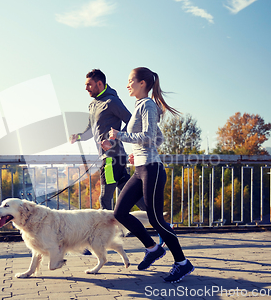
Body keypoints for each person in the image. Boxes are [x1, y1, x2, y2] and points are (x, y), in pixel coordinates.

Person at [106, 67, 194, 283]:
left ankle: (182, 263)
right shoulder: (141, 106)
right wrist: (137, 153)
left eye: (130, 81)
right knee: (120, 212)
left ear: (142, 83)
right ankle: (153, 248)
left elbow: (148, 135)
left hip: (152, 169)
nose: (127, 85)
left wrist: (120, 135)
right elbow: (159, 138)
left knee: (156, 219)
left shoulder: (148, 105)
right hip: (141, 168)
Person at [70, 69, 146, 211]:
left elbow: (131, 122)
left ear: (99, 83)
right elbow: (90, 131)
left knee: (105, 199)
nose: (86, 88)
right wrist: (78, 136)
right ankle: (162, 223)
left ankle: (110, 232)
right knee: (131, 195)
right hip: (111, 158)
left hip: (112, 158)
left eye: (89, 85)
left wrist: (114, 139)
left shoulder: (112, 102)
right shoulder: (93, 105)